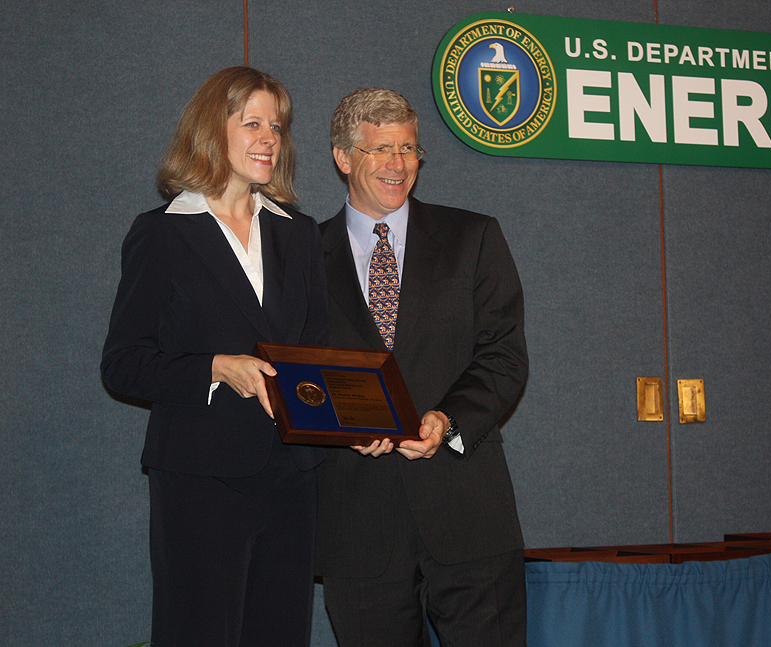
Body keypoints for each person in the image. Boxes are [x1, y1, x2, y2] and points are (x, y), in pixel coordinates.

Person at [101, 67, 328, 647]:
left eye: (276, 126)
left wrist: (357, 418)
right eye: (252, 122)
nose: (269, 138)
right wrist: (213, 369)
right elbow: (123, 363)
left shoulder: (299, 235)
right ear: (210, 130)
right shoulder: (162, 235)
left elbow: (318, 356)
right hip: (200, 482)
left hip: (290, 481)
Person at [316, 87, 529, 647]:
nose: (398, 165)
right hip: (357, 523)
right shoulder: (301, 257)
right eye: (380, 149)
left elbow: (504, 356)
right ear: (343, 158)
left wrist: (447, 420)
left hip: (468, 514)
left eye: (409, 149)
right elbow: (295, 370)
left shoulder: (474, 237)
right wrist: (342, 424)